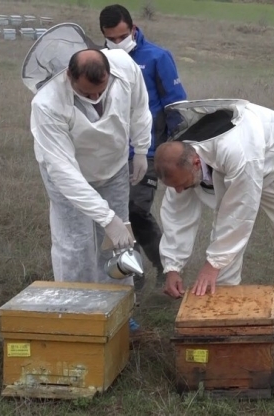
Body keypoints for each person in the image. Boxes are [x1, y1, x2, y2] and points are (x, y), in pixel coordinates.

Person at [155, 99, 274, 340]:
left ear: (196, 163)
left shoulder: (236, 150)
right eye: (175, 187)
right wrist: (172, 267)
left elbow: (241, 213)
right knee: (221, 245)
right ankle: (225, 314)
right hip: (233, 169)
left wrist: (212, 264)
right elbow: (176, 216)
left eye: (182, 185)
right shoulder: (180, 159)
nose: (179, 191)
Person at [29, 47, 152, 334]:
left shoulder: (124, 67)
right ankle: (76, 313)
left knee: (119, 243)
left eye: (100, 91)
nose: (95, 98)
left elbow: (139, 106)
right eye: (87, 93)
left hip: (114, 166)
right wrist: (106, 218)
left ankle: (120, 312)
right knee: (76, 244)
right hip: (70, 177)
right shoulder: (47, 103)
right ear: (69, 77)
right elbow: (64, 171)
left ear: (109, 73)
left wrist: (142, 149)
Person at [99, 4, 188, 291]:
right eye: (110, 39)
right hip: (111, 152)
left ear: (133, 28)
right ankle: (130, 274)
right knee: (115, 214)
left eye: (122, 36)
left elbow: (176, 103)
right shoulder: (99, 60)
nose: (117, 43)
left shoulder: (158, 57)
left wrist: (173, 145)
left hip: (148, 151)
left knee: (136, 210)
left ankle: (165, 266)